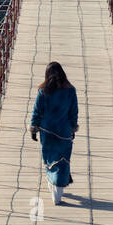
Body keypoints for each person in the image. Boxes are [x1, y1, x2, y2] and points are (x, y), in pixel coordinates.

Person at [29, 62, 78, 205]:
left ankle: (53, 184)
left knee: (50, 159)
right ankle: (58, 189)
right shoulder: (70, 91)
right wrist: (73, 127)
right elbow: (73, 112)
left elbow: (36, 111)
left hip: (47, 131)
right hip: (64, 131)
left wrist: (34, 128)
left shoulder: (43, 91)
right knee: (63, 160)